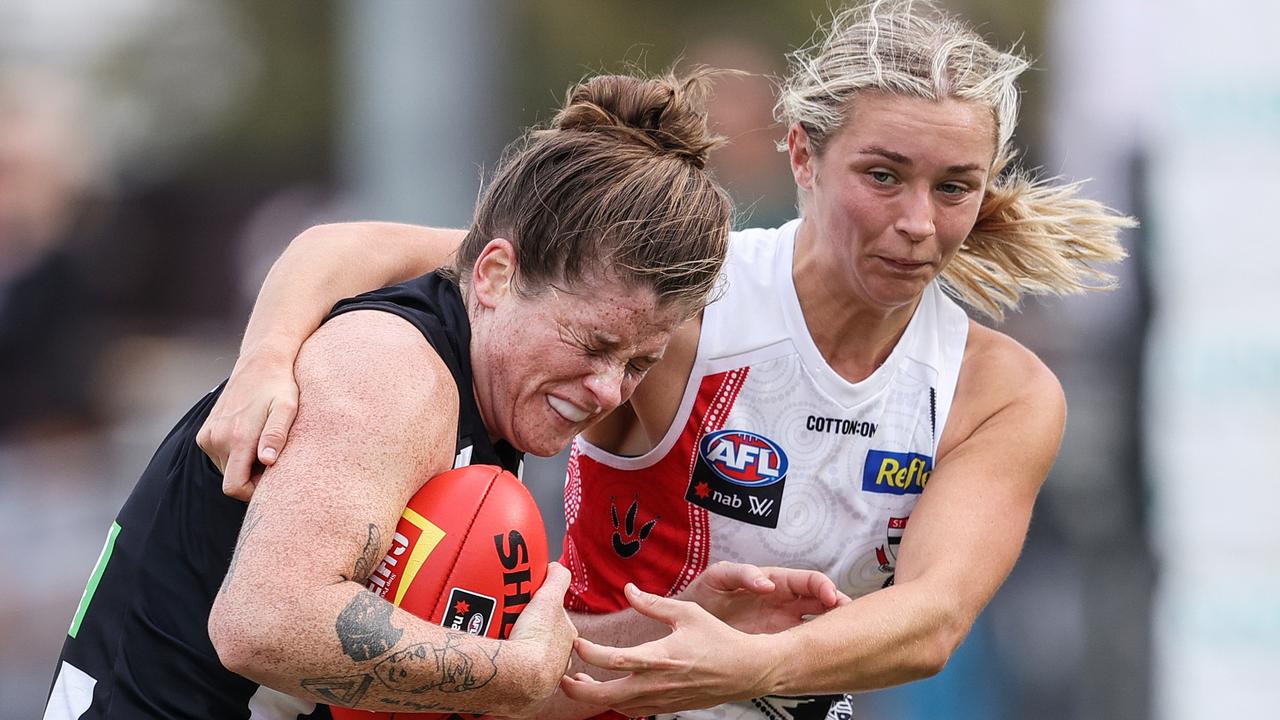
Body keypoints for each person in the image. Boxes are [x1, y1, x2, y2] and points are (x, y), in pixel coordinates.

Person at [198, 1, 1134, 718]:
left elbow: (932, 620)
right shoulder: (691, 293)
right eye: (882, 175)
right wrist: (267, 363)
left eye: (955, 187)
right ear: (803, 156)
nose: (918, 223)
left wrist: (756, 668)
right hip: (589, 703)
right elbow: (358, 248)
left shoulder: (998, 390)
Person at [44, 71, 827, 720]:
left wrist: (672, 628)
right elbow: (264, 625)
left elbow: (495, 677)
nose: (607, 389)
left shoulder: (497, 382)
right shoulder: (393, 372)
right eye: (592, 345)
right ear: (492, 277)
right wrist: (509, 672)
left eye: (637, 362)